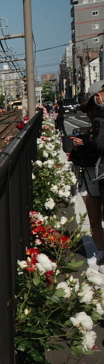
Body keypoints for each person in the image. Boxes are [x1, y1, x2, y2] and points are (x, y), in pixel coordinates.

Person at [71, 80, 104, 263]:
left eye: (93, 108)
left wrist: (87, 142)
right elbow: (77, 159)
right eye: (90, 109)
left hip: (97, 175)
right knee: (94, 218)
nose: (92, 113)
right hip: (91, 176)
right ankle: (101, 251)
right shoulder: (91, 128)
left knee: (97, 218)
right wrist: (78, 147)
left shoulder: (97, 127)